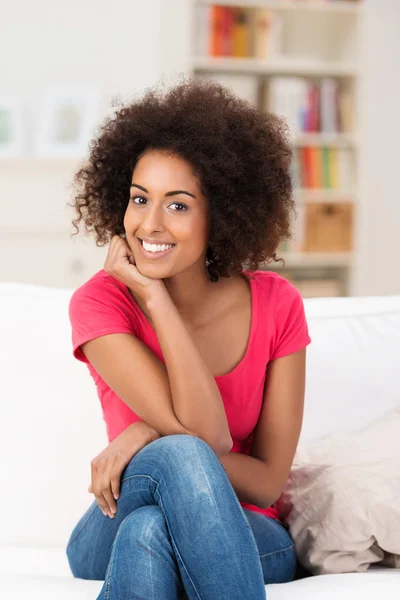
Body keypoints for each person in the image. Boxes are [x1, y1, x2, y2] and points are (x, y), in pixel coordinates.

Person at [65, 77, 312, 600]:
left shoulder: (277, 304)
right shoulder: (102, 302)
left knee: (150, 531)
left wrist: (145, 434)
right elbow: (208, 441)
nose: (149, 224)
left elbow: (267, 482)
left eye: (177, 205)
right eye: (139, 199)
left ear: (219, 212)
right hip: (113, 514)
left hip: (248, 527)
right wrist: (151, 296)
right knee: (177, 461)